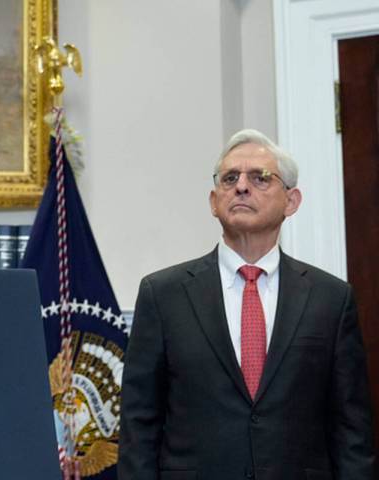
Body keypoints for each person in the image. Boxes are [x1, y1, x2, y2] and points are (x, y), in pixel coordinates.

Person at [118, 129, 374, 479]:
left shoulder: (330, 299)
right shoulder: (162, 295)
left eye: (260, 178)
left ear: (291, 201)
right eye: (229, 178)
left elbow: (351, 432)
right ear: (213, 201)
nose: (241, 186)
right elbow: (139, 425)